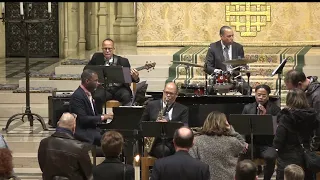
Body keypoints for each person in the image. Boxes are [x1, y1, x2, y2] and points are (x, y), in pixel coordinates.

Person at [273, 88, 320, 180]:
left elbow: (279, 140)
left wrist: (276, 148)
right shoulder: (311, 115)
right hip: (306, 154)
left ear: (289, 100)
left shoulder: (285, 117)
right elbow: (317, 134)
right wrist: (312, 147)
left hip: (287, 156)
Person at [86, 38, 140, 114]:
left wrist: (135, 77)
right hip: (104, 88)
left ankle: (123, 119)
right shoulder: (96, 58)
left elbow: (129, 79)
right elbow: (87, 70)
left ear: (113, 49)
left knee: (126, 96)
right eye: (105, 49)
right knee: (97, 97)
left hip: (120, 89)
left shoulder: (123, 61)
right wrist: (94, 81)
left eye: (109, 49)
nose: (107, 51)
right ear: (102, 49)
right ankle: (99, 120)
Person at [189, 111, 247, 180]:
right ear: (225, 124)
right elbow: (243, 146)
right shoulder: (232, 141)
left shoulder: (196, 141)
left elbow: (192, 162)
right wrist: (231, 130)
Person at [241, 84, 280, 180]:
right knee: (242, 151)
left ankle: (267, 178)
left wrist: (265, 116)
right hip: (251, 142)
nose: (261, 98)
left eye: (264, 95)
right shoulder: (247, 108)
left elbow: (277, 129)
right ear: (255, 95)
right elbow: (241, 128)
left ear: (268, 96)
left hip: (268, 144)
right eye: (258, 95)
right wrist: (243, 142)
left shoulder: (275, 109)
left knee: (271, 157)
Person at [38, 112, 93, 180]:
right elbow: (88, 174)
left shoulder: (44, 143)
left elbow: (43, 167)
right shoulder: (80, 147)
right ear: (74, 127)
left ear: (58, 124)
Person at [140, 82, 189, 158]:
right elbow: (141, 123)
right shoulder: (151, 105)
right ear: (163, 92)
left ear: (176, 95)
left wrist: (169, 124)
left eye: (171, 93)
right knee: (164, 151)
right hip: (156, 143)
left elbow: (185, 127)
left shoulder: (183, 109)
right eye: (166, 92)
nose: (168, 95)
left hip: (174, 142)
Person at [69, 69, 113, 146]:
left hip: (92, 128)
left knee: (116, 135)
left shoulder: (88, 94)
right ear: (87, 81)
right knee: (111, 141)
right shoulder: (77, 96)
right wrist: (103, 117)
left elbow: (92, 115)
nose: (98, 83)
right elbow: (83, 119)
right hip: (84, 131)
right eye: (95, 81)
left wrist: (107, 116)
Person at [204, 25, 251, 95]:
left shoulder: (238, 47)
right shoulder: (213, 47)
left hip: (234, 77)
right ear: (221, 36)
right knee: (209, 90)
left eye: (232, 36)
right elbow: (207, 66)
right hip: (219, 77)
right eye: (229, 36)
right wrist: (217, 71)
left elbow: (241, 63)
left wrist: (244, 66)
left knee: (247, 89)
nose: (231, 38)